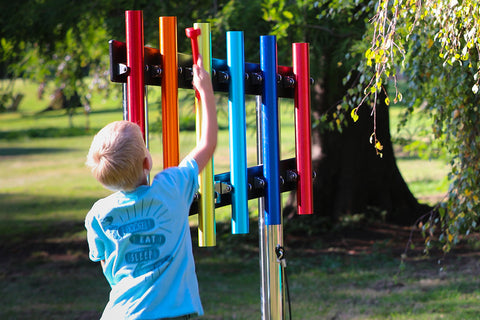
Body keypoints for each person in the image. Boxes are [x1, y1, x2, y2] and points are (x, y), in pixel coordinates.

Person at [84, 56, 217, 320]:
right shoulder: (172, 188)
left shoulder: (98, 215)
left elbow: (107, 267)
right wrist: (205, 90)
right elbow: (207, 144)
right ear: (148, 161)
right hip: (171, 313)